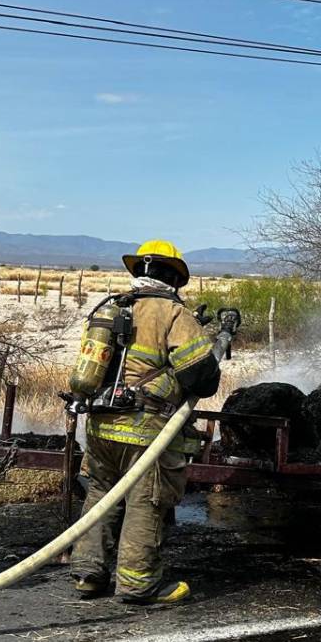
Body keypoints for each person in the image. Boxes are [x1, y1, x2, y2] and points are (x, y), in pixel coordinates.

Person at [69, 240, 220, 605]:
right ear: (174, 277)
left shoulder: (111, 308)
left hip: (100, 427)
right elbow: (201, 378)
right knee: (146, 501)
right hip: (145, 430)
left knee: (101, 495)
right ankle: (139, 585)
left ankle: (88, 575)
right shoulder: (171, 314)